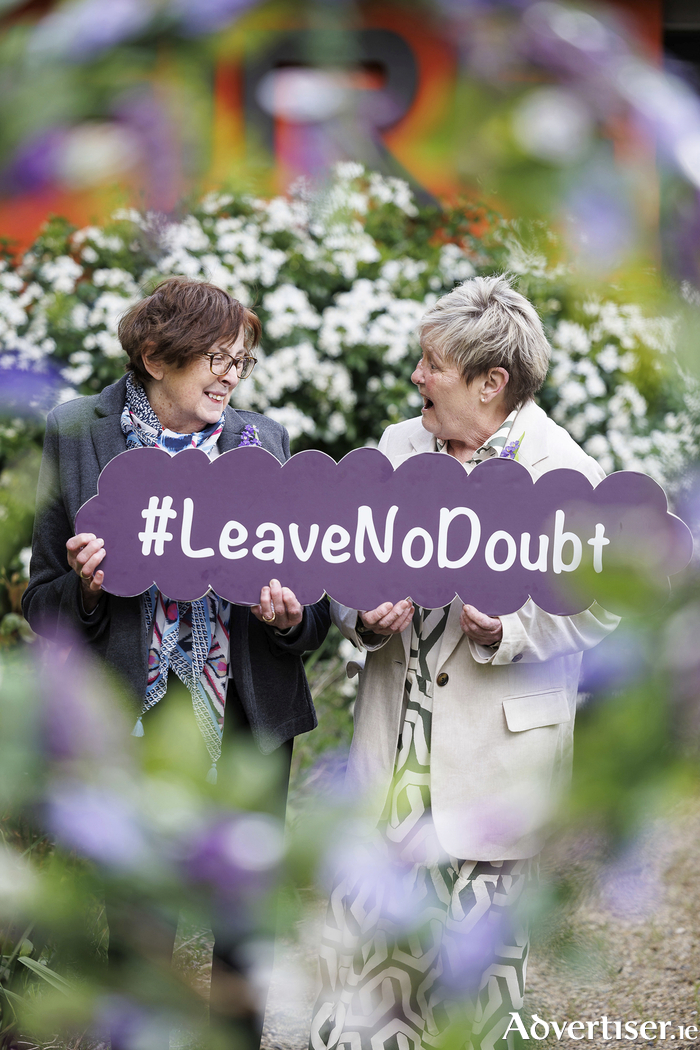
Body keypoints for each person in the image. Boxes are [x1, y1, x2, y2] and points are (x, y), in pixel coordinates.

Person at [309, 275, 619, 1050]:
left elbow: (606, 605)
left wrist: (512, 629)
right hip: (391, 765)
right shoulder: (394, 450)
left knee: (475, 1000)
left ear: (490, 382)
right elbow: (341, 567)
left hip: (496, 771)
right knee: (368, 989)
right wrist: (362, 613)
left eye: (433, 364)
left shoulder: (566, 471)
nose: (417, 375)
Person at [22, 276, 330, 1048]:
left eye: (241, 361)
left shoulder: (264, 440)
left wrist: (291, 616)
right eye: (216, 359)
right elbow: (41, 602)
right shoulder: (76, 433)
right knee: (141, 932)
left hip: (248, 721)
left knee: (245, 932)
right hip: (133, 727)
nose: (231, 376)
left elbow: (315, 605)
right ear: (157, 357)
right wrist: (87, 589)